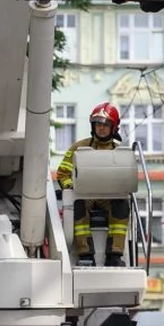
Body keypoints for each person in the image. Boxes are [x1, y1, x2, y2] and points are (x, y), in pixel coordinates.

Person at [56, 103, 129, 267]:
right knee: (78, 207)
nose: (101, 128)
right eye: (98, 124)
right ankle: (85, 255)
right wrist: (70, 187)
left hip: (109, 197)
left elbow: (126, 177)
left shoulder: (120, 152)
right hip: (84, 196)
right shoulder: (78, 148)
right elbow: (62, 173)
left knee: (122, 206)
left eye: (105, 125)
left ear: (114, 127)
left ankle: (114, 255)